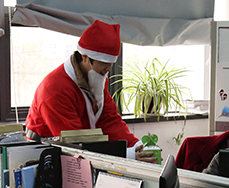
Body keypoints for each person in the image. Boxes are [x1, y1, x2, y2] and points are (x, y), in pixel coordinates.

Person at [26, 20, 156, 161]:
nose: (108, 69)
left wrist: (137, 146)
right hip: (44, 154)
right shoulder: (55, 91)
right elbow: (74, 143)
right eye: (104, 63)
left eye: (111, 64)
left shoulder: (97, 78)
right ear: (85, 57)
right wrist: (127, 155)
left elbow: (109, 121)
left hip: (81, 148)